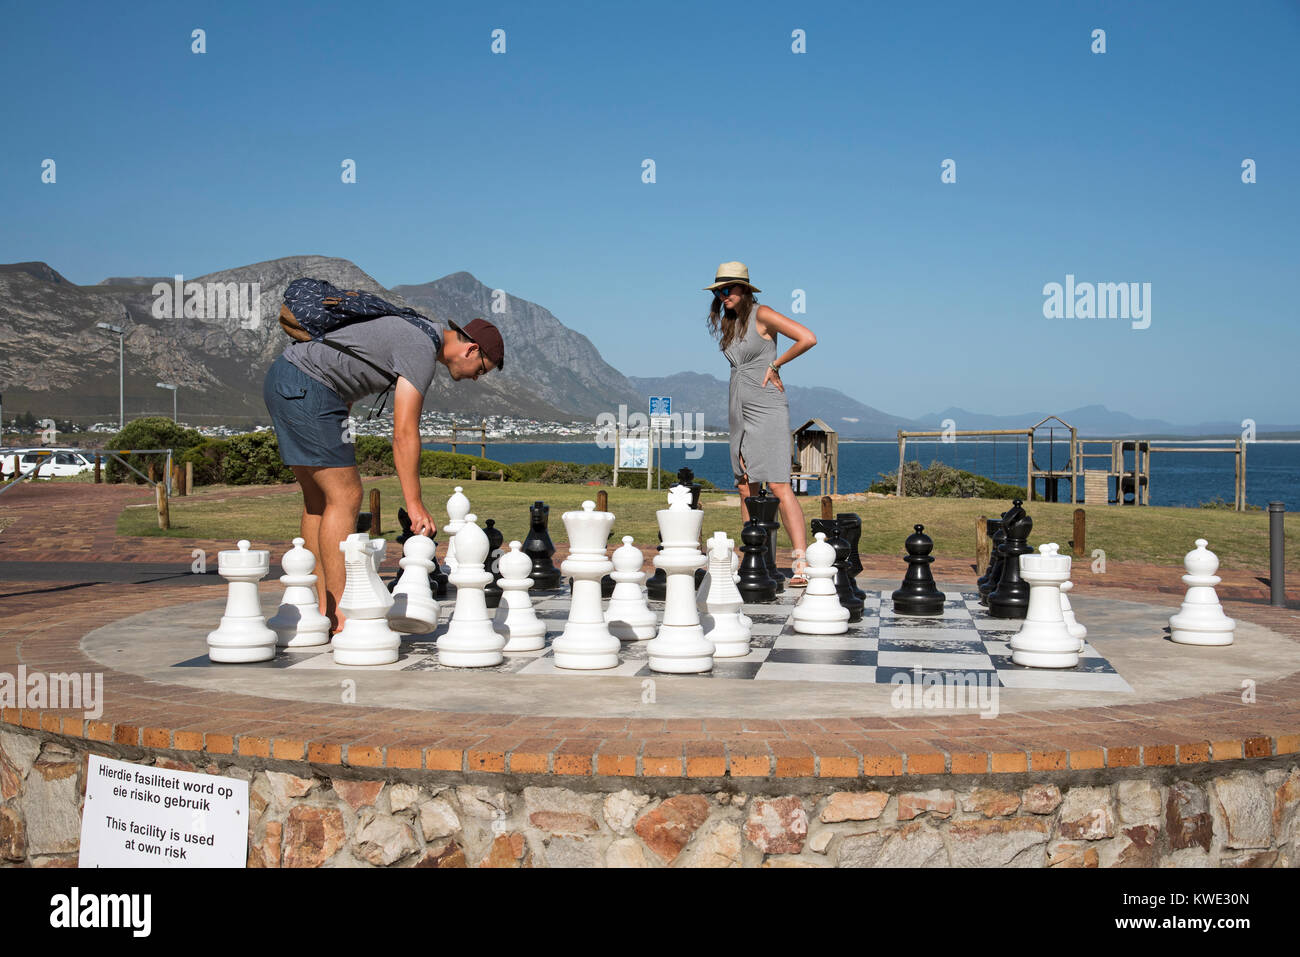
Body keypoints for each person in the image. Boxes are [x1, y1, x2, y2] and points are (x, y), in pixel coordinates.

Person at [263, 312, 504, 633]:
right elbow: (404, 432)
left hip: (285, 379)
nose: (476, 377)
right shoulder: (421, 348)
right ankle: (342, 619)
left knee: (318, 501)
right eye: (482, 370)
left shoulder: (416, 332)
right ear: (472, 350)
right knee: (346, 495)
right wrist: (414, 503)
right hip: (308, 388)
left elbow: (344, 367)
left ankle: (321, 611)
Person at [705, 261, 817, 585]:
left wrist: (776, 365)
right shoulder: (729, 323)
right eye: (719, 291)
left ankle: (801, 563)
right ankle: (753, 557)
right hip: (737, 407)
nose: (723, 295)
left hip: (766, 406)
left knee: (779, 484)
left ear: (744, 289)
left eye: (728, 289)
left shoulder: (763, 314)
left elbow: (807, 338)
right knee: (744, 485)